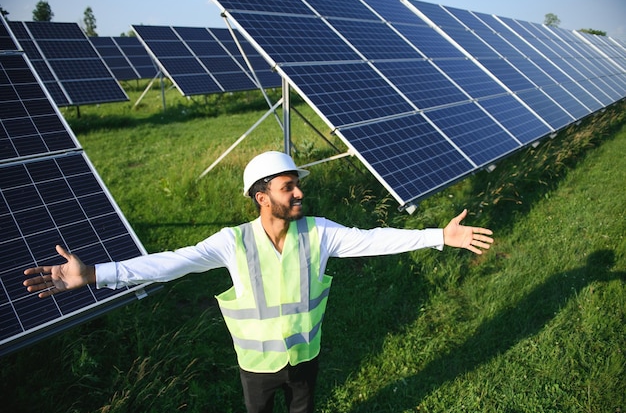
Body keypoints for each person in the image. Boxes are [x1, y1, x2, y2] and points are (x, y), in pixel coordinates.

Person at [23, 151, 494, 413]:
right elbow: (170, 263)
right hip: (256, 367)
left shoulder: (320, 232)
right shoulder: (233, 243)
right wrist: (95, 274)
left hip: (305, 356)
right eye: (288, 187)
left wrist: (439, 237)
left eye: (296, 184)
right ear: (260, 196)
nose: (299, 192)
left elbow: (374, 240)